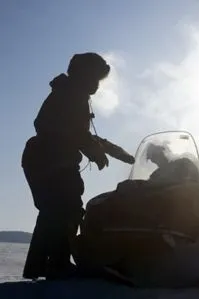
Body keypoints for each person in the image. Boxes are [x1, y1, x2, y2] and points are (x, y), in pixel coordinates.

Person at [21, 52, 125, 280]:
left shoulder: (70, 94)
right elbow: (57, 128)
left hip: (45, 159)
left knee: (54, 210)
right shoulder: (69, 94)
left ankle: (40, 267)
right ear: (84, 75)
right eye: (95, 77)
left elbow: (81, 135)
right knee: (65, 207)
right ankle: (57, 265)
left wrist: (116, 152)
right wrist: (92, 150)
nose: (97, 84)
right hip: (49, 160)